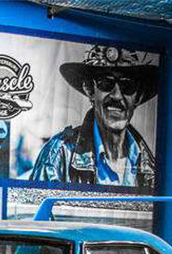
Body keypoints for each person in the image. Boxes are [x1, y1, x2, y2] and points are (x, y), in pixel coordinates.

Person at [31, 45, 158, 187]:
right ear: (90, 90)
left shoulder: (152, 170)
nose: (117, 96)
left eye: (127, 85)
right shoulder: (58, 157)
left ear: (138, 97)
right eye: (106, 83)